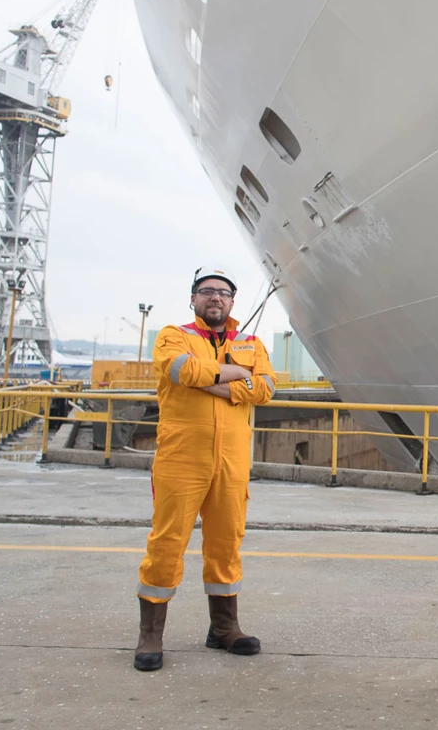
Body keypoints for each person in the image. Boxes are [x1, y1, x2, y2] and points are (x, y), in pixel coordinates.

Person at [132, 265, 276, 671]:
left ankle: (224, 628)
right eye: (207, 291)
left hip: (231, 462)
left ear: (233, 302)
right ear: (193, 299)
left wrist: (212, 381)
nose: (216, 297)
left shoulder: (250, 340)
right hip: (181, 459)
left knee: (226, 544)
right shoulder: (174, 336)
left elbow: (265, 388)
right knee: (167, 543)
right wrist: (237, 376)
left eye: (224, 292)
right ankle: (151, 634)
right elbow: (182, 370)